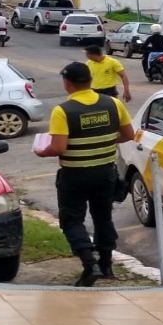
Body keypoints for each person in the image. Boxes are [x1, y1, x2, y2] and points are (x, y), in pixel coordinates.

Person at [34, 62, 135, 286]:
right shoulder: (113, 103)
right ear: (90, 80)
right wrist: (105, 141)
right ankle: (106, 265)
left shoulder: (63, 111)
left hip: (75, 175)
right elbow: (129, 134)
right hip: (105, 173)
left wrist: (41, 151)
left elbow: (58, 147)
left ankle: (90, 265)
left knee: (72, 220)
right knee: (103, 217)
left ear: (67, 83)